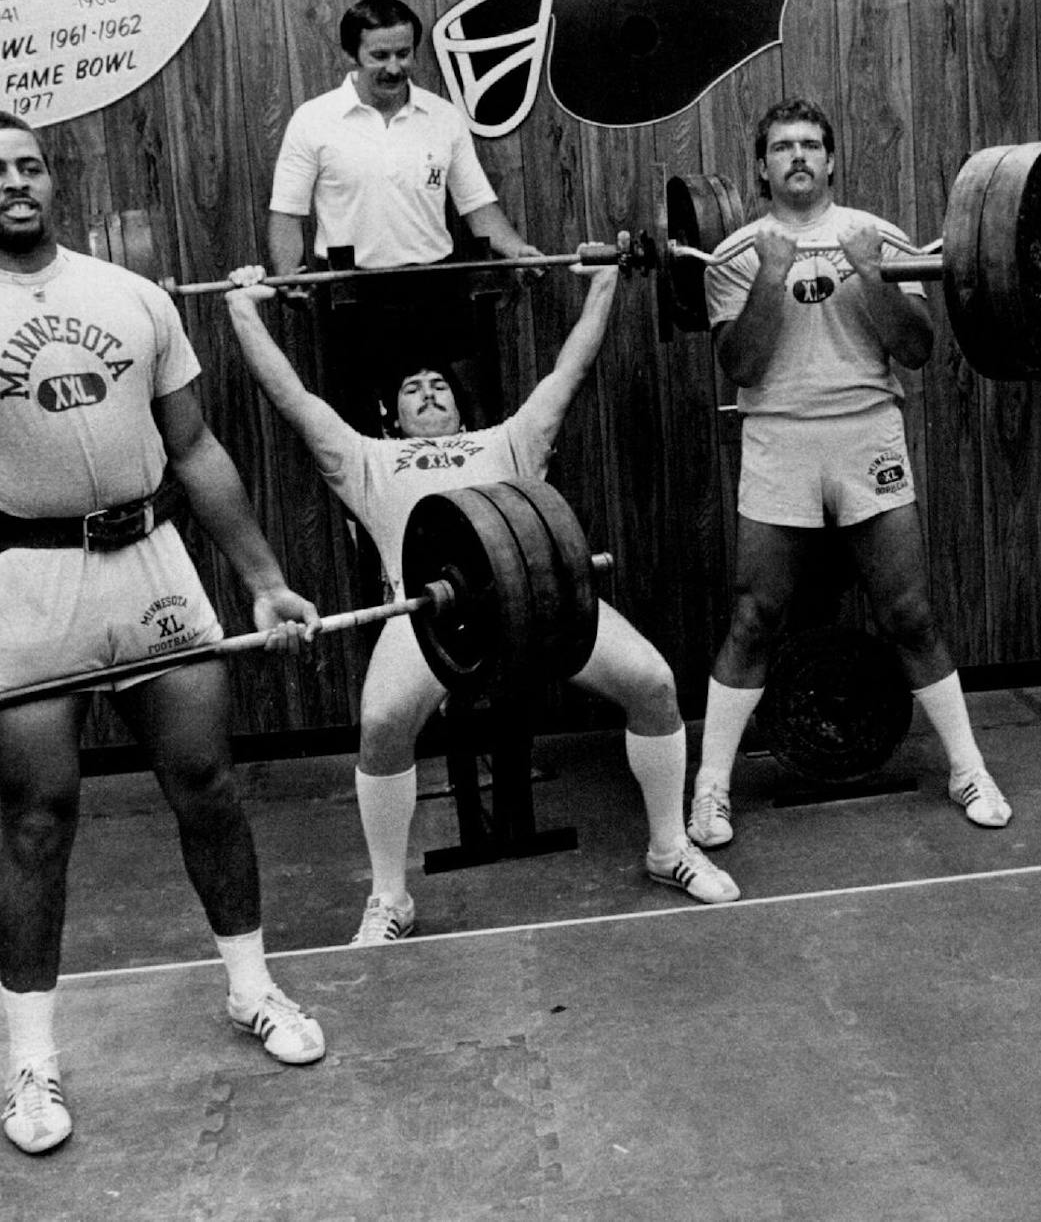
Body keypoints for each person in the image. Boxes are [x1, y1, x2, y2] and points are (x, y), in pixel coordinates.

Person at [0, 111, 329, 1157]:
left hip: (151, 564)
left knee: (209, 786)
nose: (16, 184)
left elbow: (197, 447)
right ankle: (31, 1060)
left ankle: (252, 988)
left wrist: (264, 579)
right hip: (27, 585)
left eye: (29, 165)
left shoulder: (132, 297)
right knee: (38, 817)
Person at [224, 255, 738, 944]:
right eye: (414, 388)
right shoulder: (367, 460)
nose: (429, 393)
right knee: (380, 727)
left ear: (463, 403)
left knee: (652, 684)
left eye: (441, 384)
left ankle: (669, 848)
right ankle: (389, 899)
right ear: (391, 412)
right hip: (429, 618)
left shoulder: (509, 442)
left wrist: (606, 277)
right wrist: (240, 308)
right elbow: (291, 399)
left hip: (543, 603)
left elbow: (569, 372)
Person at [688, 98, 1014, 849]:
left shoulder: (883, 239)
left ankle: (968, 767)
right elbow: (741, 364)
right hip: (778, 437)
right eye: (781, 147)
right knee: (754, 617)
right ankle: (711, 791)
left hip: (867, 431)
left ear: (832, 160)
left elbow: (918, 349)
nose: (797, 157)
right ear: (762, 166)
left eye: (810, 145)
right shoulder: (738, 253)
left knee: (910, 614)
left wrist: (871, 275)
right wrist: (770, 278)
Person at [267, 0, 541, 430]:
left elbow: (477, 204)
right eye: (379, 55)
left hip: (436, 287)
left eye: (403, 53)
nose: (394, 67)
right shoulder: (313, 120)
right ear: (351, 55)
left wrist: (517, 250)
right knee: (364, 431)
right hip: (350, 295)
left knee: (459, 425)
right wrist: (287, 277)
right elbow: (287, 213)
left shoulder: (443, 116)